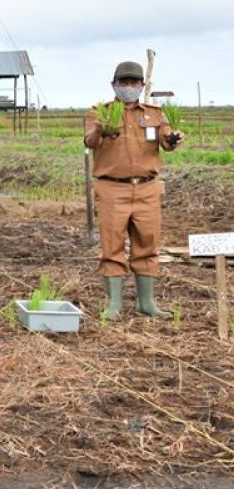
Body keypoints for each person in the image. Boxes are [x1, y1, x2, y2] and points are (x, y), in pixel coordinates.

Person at [85, 61, 183, 319]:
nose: (128, 87)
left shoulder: (154, 113)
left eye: (133, 83)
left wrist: (173, 139)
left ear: (142, 85)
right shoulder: (100, 112)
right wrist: (100, 129)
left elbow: (167, 140)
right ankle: (114, 305)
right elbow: (89, 141)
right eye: (123, 83)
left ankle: (146, 303)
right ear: (113, 85)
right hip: (112, 189)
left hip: (147, 190)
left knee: (147, 244)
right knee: (112, 245)